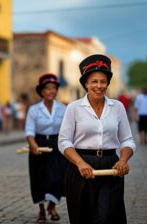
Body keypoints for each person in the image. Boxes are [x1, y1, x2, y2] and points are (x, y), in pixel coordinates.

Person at [58, 54, 136, 224]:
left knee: (107, 217)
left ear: (108, 84)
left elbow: (127, 140)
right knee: (82, 216)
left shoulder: (118, 107)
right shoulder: (74, 108)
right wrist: (80, 163)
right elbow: (64, 142)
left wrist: (123, 160)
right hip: (81, 168)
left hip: (111, 168)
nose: (99, 86)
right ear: (86, 84)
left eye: (103, 81)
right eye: (94, 81)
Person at [25, 73, 67, 222]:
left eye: (54, 88)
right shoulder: (34, 110)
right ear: (42, 91)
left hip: (57, 145)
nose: (51, 91)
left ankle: (52, 206)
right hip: (39, 144)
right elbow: (29, 130)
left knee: (58, 178)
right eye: (48, 88)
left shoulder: (63, 108)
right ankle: (42, 210)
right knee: (39, 178)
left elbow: (67, 130)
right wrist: (33, 144)